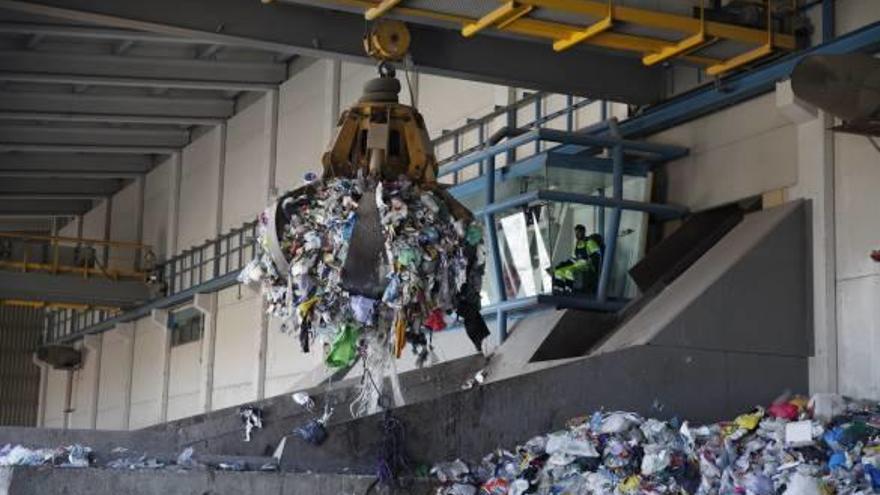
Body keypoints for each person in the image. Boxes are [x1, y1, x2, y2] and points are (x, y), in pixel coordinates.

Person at [553, 225, 603, 294]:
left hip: (586, 265)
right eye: (576, 233)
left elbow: (597, 254)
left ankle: (569, 290)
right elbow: (574, 258)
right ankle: (559, 289)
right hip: (577, 264)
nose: (577, 234)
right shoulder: (577, 244)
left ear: (583, 232)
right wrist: (564, 264)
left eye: (579, 232)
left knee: (568, 271)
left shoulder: (589, 242)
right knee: (558, 271)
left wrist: (591, 262)